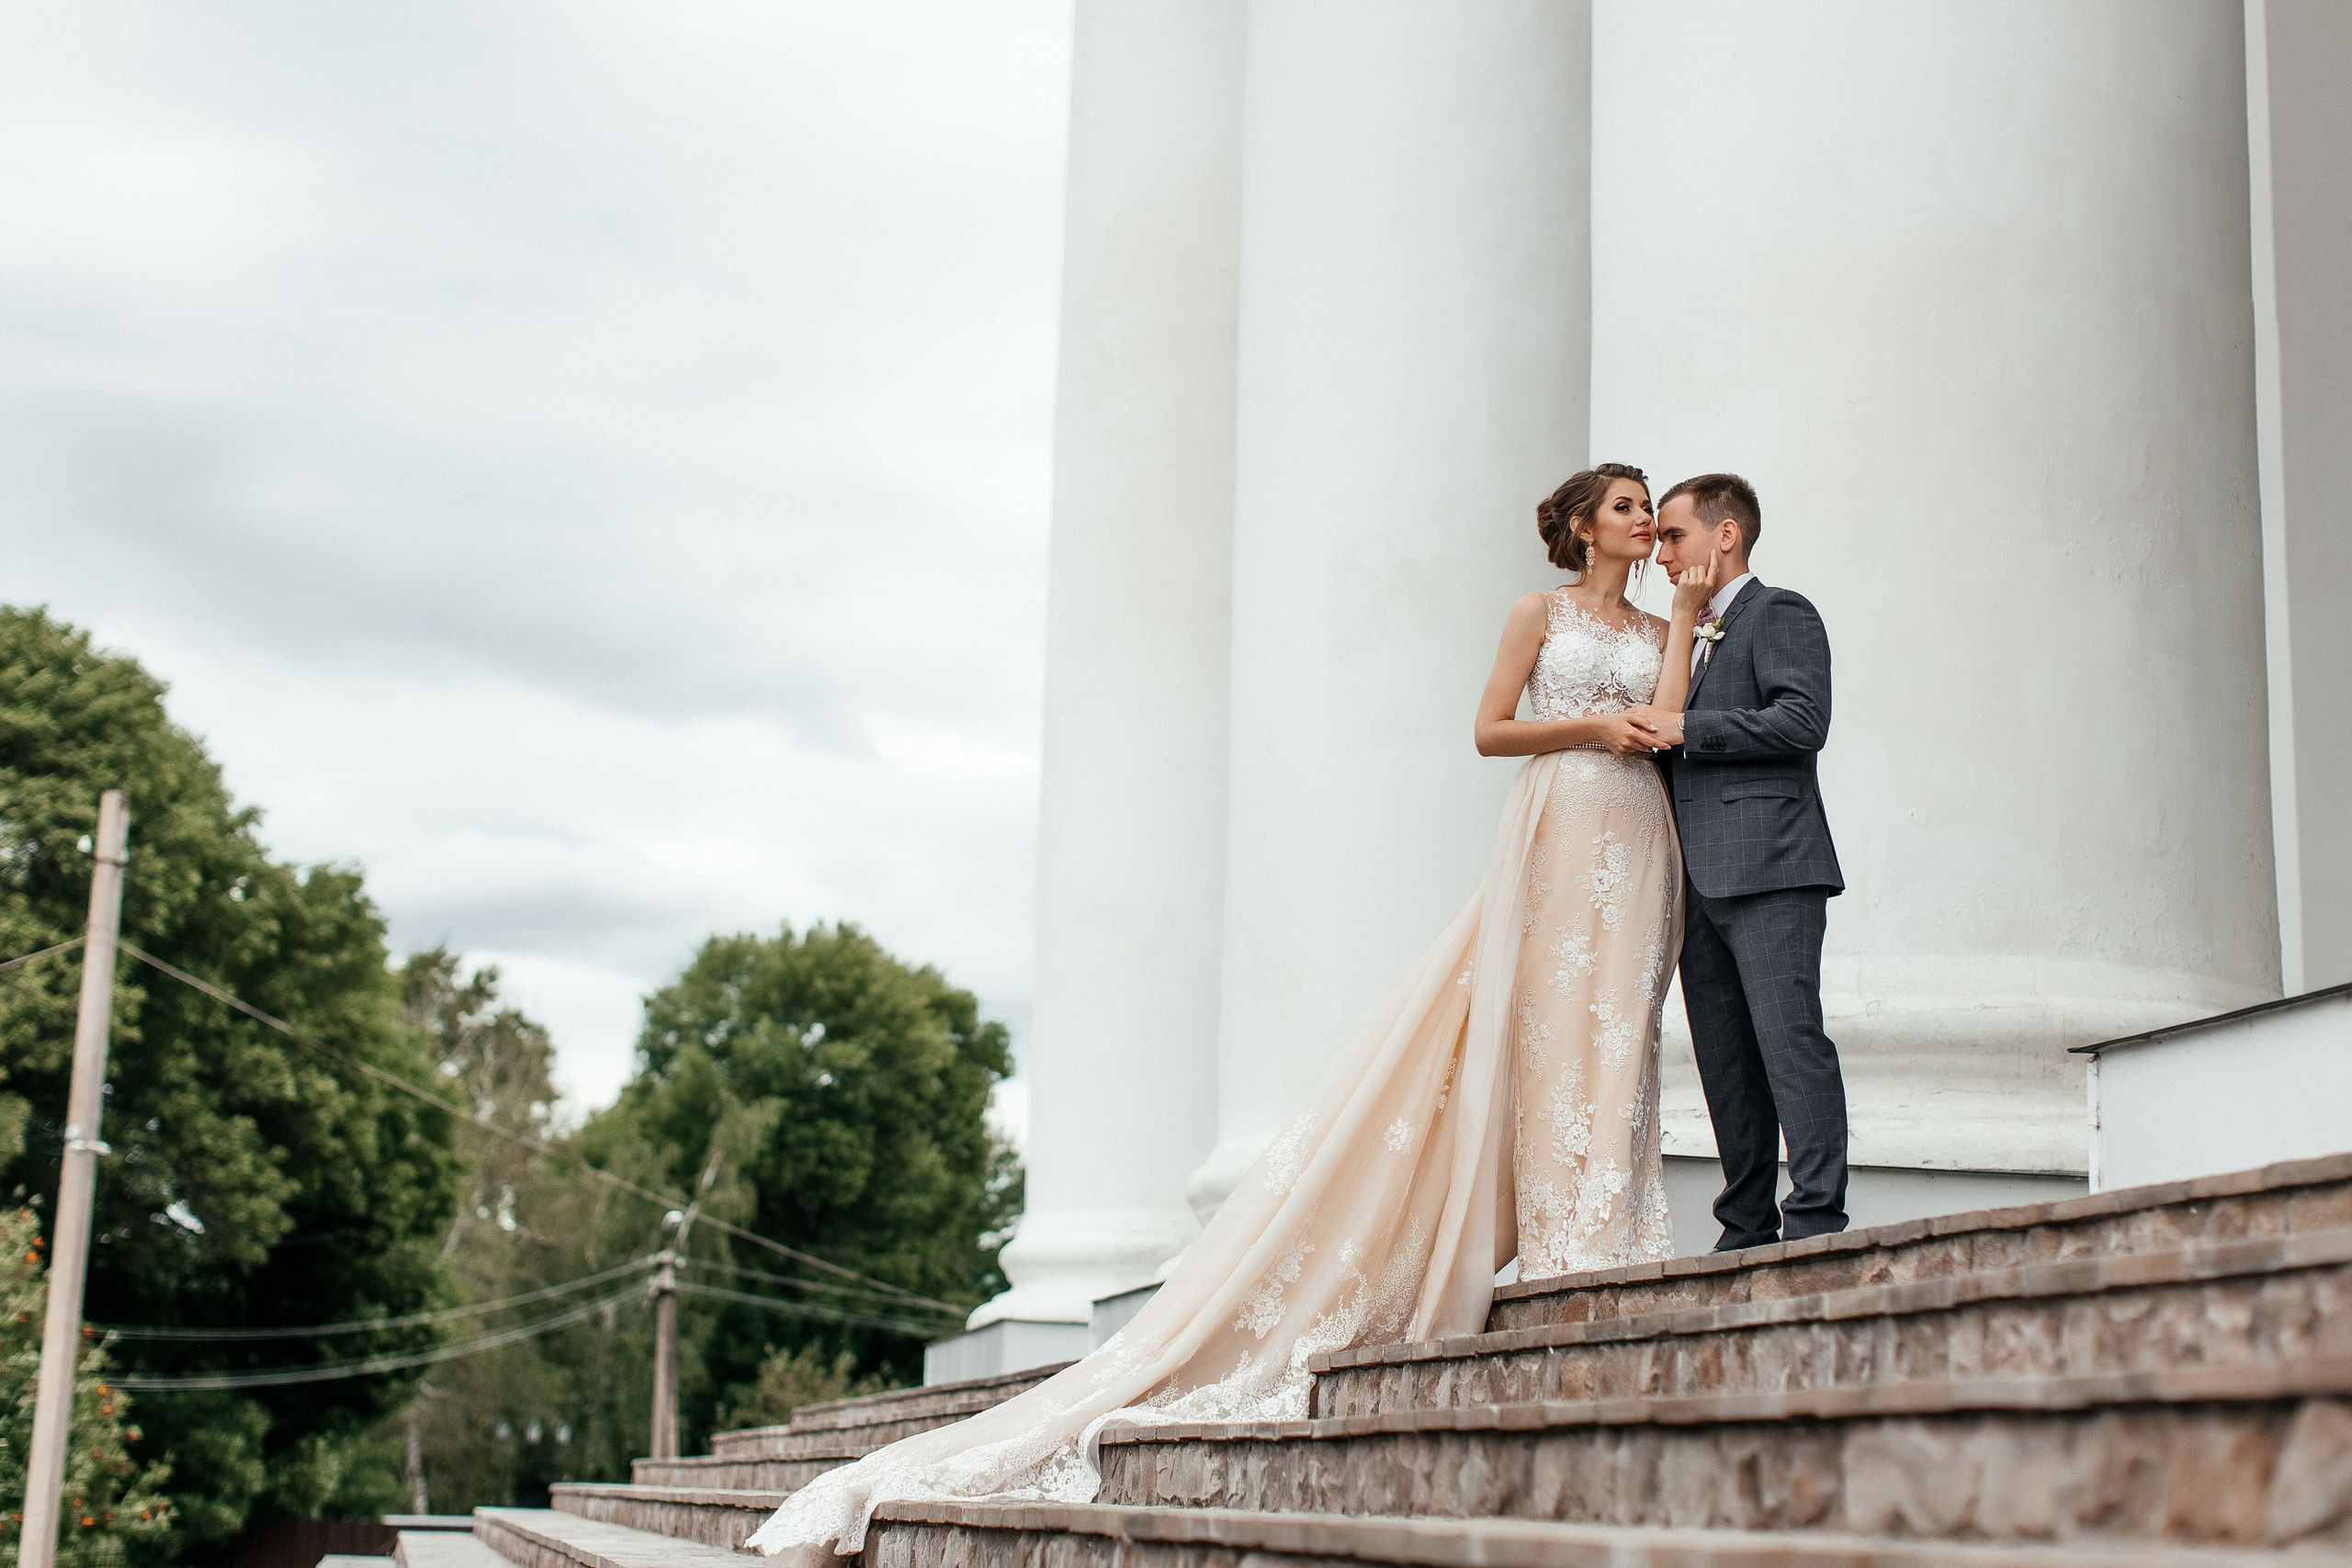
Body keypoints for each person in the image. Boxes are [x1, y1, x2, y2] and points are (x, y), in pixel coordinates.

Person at [747, 462, 1715, 1564]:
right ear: (1583, 525)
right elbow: (1490, 730)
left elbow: (1669, 720)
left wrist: (1683, 622)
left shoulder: (1662, 624)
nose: (1644, 520)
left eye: (1649, 508)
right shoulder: (1536, 613)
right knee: (1537, 1033)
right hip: (1558, 823)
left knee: (1615, 1031)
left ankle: (1597, 1231)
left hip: (1638, 835)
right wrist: (1589, 727)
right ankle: (1554, 1239)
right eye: (1626, 506)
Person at [1632, 472, 1849, 1249]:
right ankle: (1746, 1224)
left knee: (1790, 1042)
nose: (1661, 554)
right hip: (1696, 878)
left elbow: (1802, 720)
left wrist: (1688, 728)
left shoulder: (1780, 612)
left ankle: (1815, 1217)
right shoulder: (1682, 634)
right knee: (1724, 1061)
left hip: (1772, 867)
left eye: (1673, 535)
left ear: (1726, 534)